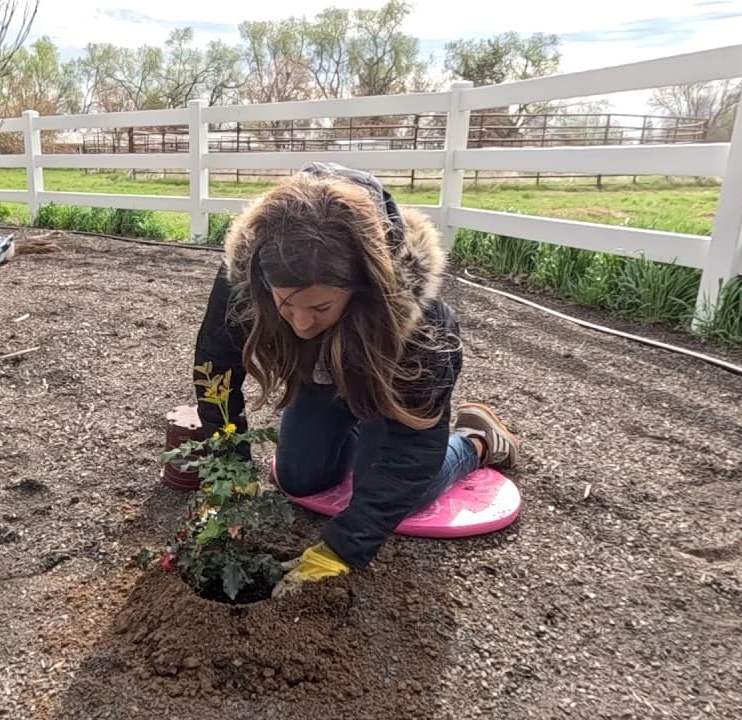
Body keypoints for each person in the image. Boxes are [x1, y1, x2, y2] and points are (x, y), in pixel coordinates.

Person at [190, 162, 522, 597]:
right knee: (298, 478)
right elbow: (217, 367)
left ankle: (476, 441)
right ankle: (354, 436)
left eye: (321, 308)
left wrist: (344, 548)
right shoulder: (247, 277)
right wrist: (227, 469)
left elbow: (413, 447)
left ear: (364, 286)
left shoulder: (420, 322)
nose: (302, 324)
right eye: (286, 306)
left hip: (382, 380)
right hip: (322, 379)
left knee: (397, 494)